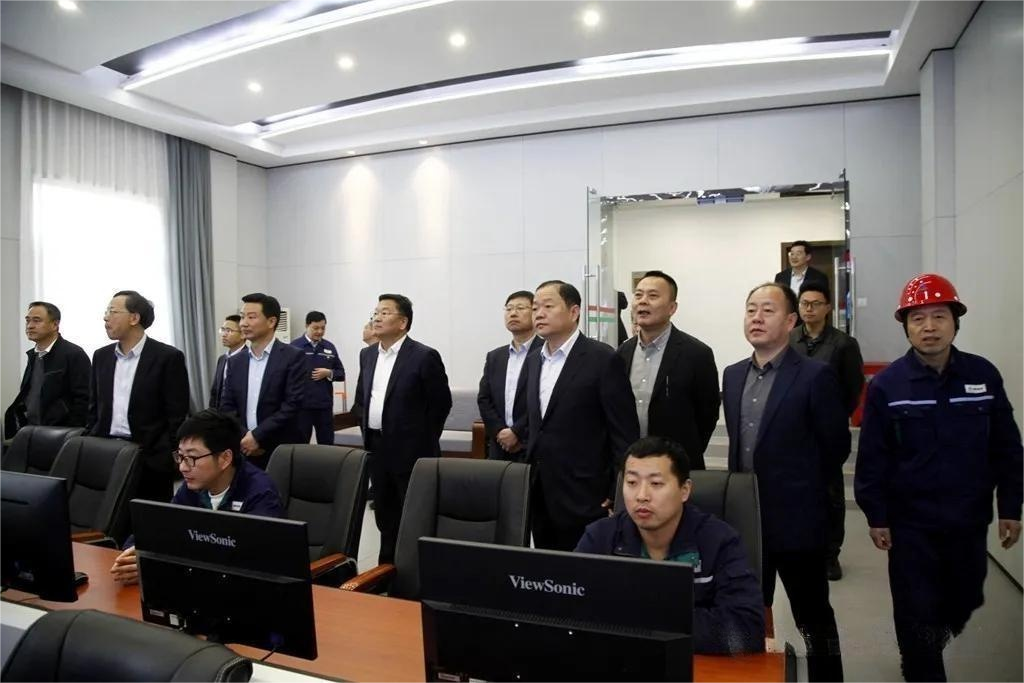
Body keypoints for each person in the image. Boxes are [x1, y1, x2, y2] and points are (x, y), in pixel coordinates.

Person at [855, 273, 1024, 683]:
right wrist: (877, 515)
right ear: (906, 326)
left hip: (968, 521)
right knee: (915, 608)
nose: (929, 327)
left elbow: (1007, 447)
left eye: (939, 316)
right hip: (911, 525)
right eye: (918, 319)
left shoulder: (983, 376)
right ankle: (921, 668)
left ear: (955, 322)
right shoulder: (888, 385)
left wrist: (1010, 507)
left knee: (961, 600)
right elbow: (873, 457)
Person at [722, 282, 848, 682]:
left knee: (813, 616)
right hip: (746, 522)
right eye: (751, 310)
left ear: (791, 321)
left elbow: (835, 447)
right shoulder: (733, 375)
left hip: (797, 521)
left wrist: (804, 494)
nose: (756, 318)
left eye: (768, 310)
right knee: (746, 612)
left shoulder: (815, 376)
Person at [576, 436, 764, 654]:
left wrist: (641, 620)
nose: (642, 496)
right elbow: (570, 610)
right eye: (632, 483)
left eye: (656, 484)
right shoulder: (600, 537)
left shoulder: (720, 541)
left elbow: (746, 630)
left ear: (685, 490)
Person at [524, 280, 639, 551]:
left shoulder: (602, 358)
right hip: (541, 489)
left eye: (548, 306)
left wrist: (616, 488)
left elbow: (623, 431)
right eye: (535, 308)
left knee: (583, 567)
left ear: (574, 312)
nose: (539, 314)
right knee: (545, 565)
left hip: (586, 491)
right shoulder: (533, 360)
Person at [109, 409, 284, 585]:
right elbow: (163, 526)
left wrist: (159, 566)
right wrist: (135, 554)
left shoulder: (260, 492)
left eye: (192, 457)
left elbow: (252, 562)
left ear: (225, 458)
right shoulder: (192, 488)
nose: (183, 467)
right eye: (180, 456)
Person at [351, 294, 452, 564]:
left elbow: (440, 404)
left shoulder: (423, 356)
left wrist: (423, 438)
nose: (377, 317)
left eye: (385, 312)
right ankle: (386, 569)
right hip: (376, 447)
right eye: (375, 312)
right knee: (384, 514)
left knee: (415, 515)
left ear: (403, 322)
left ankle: (416, 571)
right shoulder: (367, 354)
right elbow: (362, 399)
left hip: (413, 450)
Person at [790, 281, 865, 581]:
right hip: (795, 430)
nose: (809, 309)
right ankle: (802, 549)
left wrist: (833, 417)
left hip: (827, 432)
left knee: (830, 494)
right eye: (804, 303)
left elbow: (853, 389)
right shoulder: (789, 338)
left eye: (816, 303)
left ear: (828, 308)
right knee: (798, 493)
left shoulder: (844, 344)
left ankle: (830, 554)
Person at [88, 290, 190, 502]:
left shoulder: (167, 357)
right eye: (106, 312)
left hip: (150, 457)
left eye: (113, 311)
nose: (106, 317)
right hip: (107, 453)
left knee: (148, 517)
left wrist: (170, 453)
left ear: (134, 318)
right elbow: (94, 407)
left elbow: (176, 414)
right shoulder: (101, 356)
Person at [617, 270, 720, 469]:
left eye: (653, 296)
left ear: (672, 308)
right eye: (638, 295)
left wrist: (685, 453)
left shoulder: (697, 354)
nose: (643, 301)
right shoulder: (623, 353)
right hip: (631, 464)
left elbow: (707, 415)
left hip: (676, 466)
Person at [219, 293, 305, 468]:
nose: (243, 323)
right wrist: (245, 437)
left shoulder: (293, 357)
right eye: (242, 317)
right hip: (243, 449)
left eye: (251, 317)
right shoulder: (235, 361)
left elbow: (292, 404)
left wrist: (257, 436)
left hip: (280, 448)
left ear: (271, 321)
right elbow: (227, 406)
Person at [5, 301, 90, 434]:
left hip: (61, 433)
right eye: (28, 320)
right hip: (31, 430)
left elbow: (84, 399)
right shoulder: (33, 355)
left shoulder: (73, 354)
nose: (30, 326)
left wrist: (70, 431)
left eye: (37, 320)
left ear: (55, 324)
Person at [477, 290, 542, 460]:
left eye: (520, 308)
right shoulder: (495, 357)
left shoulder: (546, 352)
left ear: (535, 313)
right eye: (509, 308)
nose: (513, 313)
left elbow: (544, 400)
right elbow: (484, 399)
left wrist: (517, 432)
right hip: (499, 445)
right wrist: (500, 432)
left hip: (533, 443)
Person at [291, 311, 345, 445]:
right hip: (301, 406)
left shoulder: (329, 347)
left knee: (327, 443)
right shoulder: (294, 346)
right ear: (306, 326)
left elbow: (341, 373)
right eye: (316, 328)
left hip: (323, 405)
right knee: (300, 444)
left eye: (323, 328)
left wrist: (329, 373)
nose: (320, 331)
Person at [208, 314, 244, 410]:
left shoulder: (248, 358)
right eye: (222, 330)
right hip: (219, 413)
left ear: (242, 334)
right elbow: (215, 390)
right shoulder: (222, 359)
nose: (224, 334)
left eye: (229, 331)